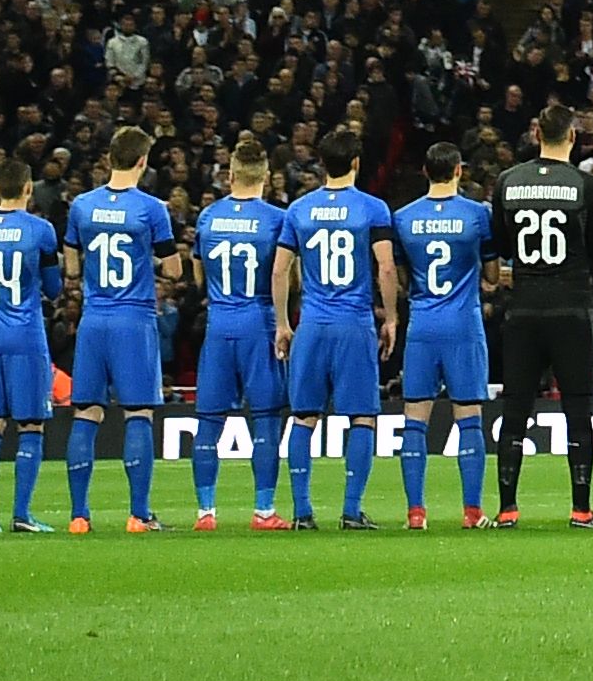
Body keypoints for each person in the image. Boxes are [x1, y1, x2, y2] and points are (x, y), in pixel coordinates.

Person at [491, 110, 593, 530]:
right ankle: (580, 509)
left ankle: (507, 508)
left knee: (516, 407)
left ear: (536, 132)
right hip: (572, 306)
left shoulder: (507, 181)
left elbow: (502, 242)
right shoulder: (586, 185)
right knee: (578, 407)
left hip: (523, 306)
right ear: (573, 136)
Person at [59, 134, 175, 535]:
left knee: (86, 413)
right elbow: (174, 268)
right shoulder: (152, 209)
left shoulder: (82, 205)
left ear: (109, 158)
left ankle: (78, 516)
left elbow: (71, 266)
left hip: (94, 321)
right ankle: (138, 515)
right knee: (138, 413)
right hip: (134, 319)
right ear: (143, 162)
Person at [273, 157, 396, 530]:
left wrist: (282, 323)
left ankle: (302, 513)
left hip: (311, 324)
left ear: (324, 164)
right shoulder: (372, 208)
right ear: (357, 163)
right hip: (353, 325)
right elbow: (386, 267)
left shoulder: (299, 209)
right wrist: (390, 317)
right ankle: (351, 510)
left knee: (304, 416)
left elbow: (280, 269)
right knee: (362, 417)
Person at [387, 147, 494, 533]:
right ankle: (472, 512)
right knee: (468, 418)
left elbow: (400, 280)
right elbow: (494, 275)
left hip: (422, 328)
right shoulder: (478, 214)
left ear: (424, 171)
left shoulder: (403, 219)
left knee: (415, 420)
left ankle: (416, 513)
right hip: (463, 327)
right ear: (459, 171)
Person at [184, 149, 288, 530]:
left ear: (229, 175)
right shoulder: (277, 219)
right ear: (266, 174)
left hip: (219, 325)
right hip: (258, 323)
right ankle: (263, 511)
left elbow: (198, 277)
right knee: (265, 418)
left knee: (209, 420)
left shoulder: (209, 217)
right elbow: (285, 275)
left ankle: (205, 512)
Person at [0, 164, 63, 533]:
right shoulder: (40, 230)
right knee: (31, 423)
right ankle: (22, 515)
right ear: (28, 188)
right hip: (26, 337)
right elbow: (53, 289)